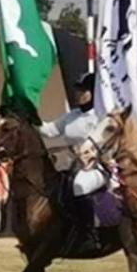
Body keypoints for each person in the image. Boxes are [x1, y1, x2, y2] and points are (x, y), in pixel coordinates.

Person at [38, 73, 106, 244]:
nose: (79, 95)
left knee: (80, 186)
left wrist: (90, 154)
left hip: (95, 166)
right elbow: (49, 131)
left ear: (93, 93)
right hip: (71, 167)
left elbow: (105, 142)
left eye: (84, 91)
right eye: (78, 91)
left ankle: (90, 233)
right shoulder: (71, 115)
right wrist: (32, 117)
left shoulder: (99, 116)